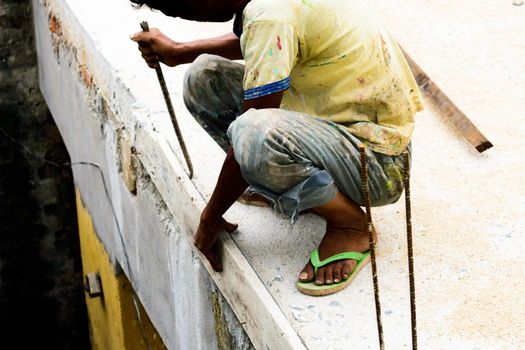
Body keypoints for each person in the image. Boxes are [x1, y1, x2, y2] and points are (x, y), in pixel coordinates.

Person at [130, 0, 423, 296]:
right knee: (205, 79)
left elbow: (250, 128)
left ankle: (351, 226)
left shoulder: (270, 14)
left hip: (376, 163)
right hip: (330, 122)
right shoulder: (265, 11)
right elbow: (265, 39)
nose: (189, 16)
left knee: (252, 134)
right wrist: (181, 52)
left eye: (184, 9)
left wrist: (210, 217)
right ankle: (295, 187)